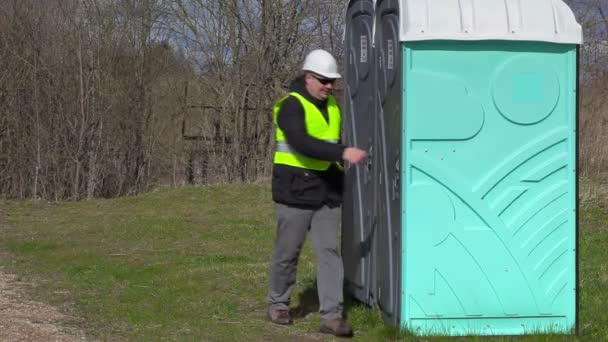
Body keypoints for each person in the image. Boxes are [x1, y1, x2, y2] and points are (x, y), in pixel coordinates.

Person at [266, 49, 367, 338]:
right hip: (295, 192)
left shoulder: (333, 105)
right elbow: (301, 143)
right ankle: (278, 303)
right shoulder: (290, 106)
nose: (329, 86)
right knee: (288, 252)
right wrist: (342, 152)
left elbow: (329, 140)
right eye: (323, 80)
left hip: (326, 193)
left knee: (329, 253)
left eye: (332, 81)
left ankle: (332, 316)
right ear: (308, 76)